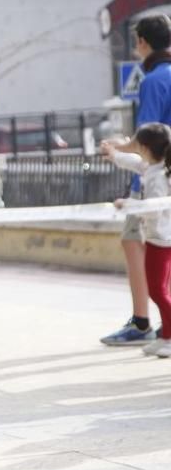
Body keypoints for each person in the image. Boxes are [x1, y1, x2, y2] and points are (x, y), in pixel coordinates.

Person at [100, 14, 171, 346]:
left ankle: (142, 320)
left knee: (133, 240)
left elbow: (147, 140)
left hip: (156, 175)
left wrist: (116, 149)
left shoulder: (154, 80)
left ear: (142, 42)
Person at [103, 123, 171, 357]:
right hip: (157, 239)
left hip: (160, 241)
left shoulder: (157, 178)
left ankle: (169, 337)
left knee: (158, 292)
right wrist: (114, 155)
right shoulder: (155, 167)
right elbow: (134, 163)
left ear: (143, 147)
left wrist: (127, 205)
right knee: (159, 290)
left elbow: (152, 210)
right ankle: (165, 337)